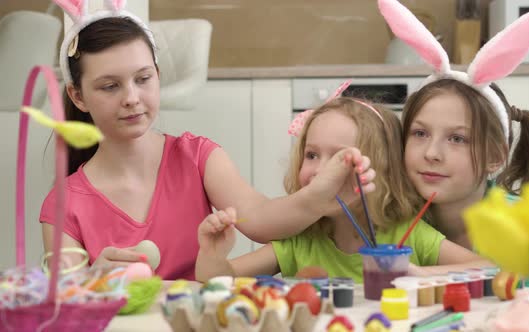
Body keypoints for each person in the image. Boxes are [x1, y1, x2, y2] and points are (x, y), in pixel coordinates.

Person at [39, 1, 376, 280]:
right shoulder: (62, 204)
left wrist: (319, 194)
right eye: (110, 86)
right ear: (78, 96)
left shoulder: (197, 156)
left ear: (157, 75)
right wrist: (94, 280)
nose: (131, 97)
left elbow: (261, 220)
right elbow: (63, 302)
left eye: (143, 78)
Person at [195, 96, 489, 283]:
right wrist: (212, 255)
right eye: (311, 155)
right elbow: (217, 280)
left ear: (381, 170)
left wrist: (420, 274)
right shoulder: (302, 240)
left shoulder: (408, 236)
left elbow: (491, 266)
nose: (321, 171)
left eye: (340, 159)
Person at [376, 0, 529, 250]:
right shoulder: (394, 218)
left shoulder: (523, 227)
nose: (431, 153)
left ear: (494, 157)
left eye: (457, 139)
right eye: (420, 133)